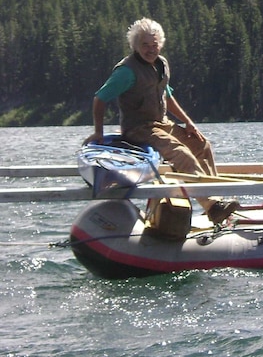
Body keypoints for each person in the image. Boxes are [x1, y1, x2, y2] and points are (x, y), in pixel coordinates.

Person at [85, 17, 239, 224]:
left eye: (154, 44)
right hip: (139, 128)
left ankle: (215, 200)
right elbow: (100, 98)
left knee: (201, 145)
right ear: (135, 46)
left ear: (161, 43)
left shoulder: (161, 64)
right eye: (145, 45)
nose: (151, 49)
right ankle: (212, 206)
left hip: (162, 123)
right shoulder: (126, 71)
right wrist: (98, 132)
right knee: (181, 154)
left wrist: (188, 122)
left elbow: (166, 95)